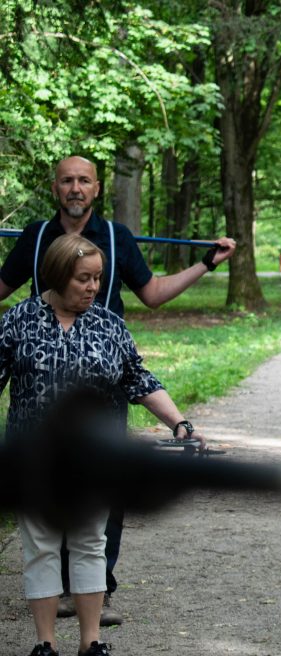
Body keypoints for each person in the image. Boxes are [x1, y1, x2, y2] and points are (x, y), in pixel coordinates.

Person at [0, 155, 235, 625]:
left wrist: (207, 263)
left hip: (102, 388)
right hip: (38, 397)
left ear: (97, 188)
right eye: (67, 180)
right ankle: (54, 604)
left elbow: (152, 295)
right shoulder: (35, 239)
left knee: (101, 500)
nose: (75, 188)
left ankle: (92, 594)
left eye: (83, 180)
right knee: (44, 509)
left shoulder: (116, 239)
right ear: (55, 188)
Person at [1, 234, 207, 656]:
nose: (93, 287)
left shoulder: (109, 324)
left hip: (95, 457)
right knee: (39, 547)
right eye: (83, 279)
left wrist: (179, 423)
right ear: (58, 276)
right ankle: (44, 644)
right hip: (35, 456)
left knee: (90, 543)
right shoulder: (18, 320)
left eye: (98, 278)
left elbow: (139, 379)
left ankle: (91, 642)